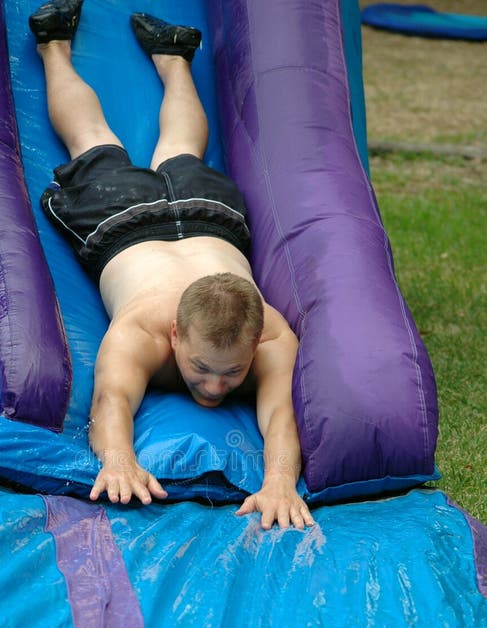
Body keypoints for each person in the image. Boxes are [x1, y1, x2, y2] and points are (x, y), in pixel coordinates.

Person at [30, 0, 314, 530]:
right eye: (202, 368)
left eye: (231, 373)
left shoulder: (274, 340)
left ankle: (174, 57)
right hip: (128, 221)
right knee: (96, 141)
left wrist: (278, 483)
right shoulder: (144, 329)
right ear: (176, 335)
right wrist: (118, 459)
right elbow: (111, 399)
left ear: (255, 344)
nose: (212, 387)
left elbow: (281, 415)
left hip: (208, 219)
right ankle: (54, 46)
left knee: (179, 149)